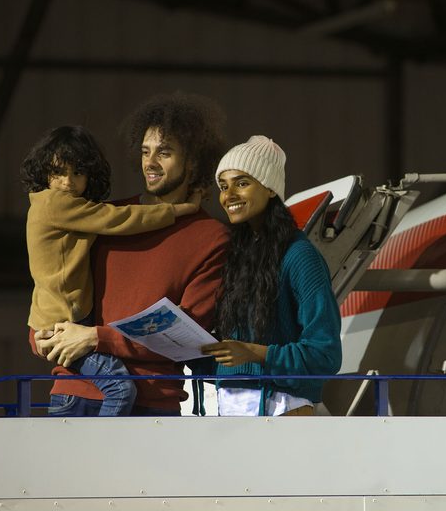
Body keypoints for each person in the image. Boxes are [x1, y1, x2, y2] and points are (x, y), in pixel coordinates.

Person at [30, 93, 229, 416]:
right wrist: (44, 333)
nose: (150, 162)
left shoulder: (212, 237)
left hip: (150, 404)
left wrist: (97, 338)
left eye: (164, 152)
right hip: (72, 395)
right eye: (145, 151)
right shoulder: (104, 217)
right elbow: (53, 289)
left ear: (193, 161)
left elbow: (185, 335)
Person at [201, 135, 342, 416]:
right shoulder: (236, 255)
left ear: (270, 189)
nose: (229, 195)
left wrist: (256, 353)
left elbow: (325, 355)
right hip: (228, 407)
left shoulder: (300, 256)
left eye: (242, 183)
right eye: (223, 186)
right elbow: (235, 355)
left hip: (283, 408)